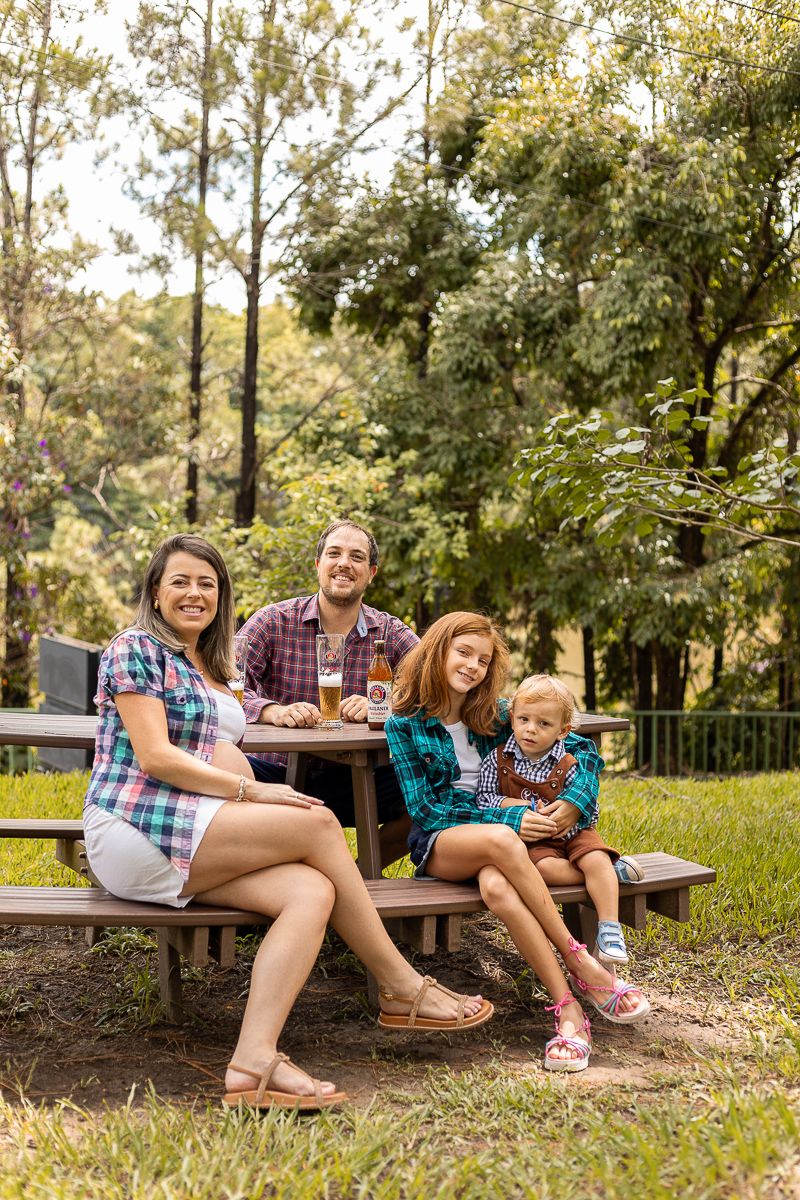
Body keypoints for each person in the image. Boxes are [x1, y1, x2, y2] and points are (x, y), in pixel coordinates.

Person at [82, 535, 493, 1112]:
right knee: (317, 822)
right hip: (136, 826)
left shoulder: (208, 662)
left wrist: (251, 795)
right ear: (155, 589)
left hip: (191, 827)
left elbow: (214, 747)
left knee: (313, 889)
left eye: (208, 583)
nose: (195, 594)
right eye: (180, 581)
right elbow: (156, 757)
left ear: (221, 595)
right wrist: (255, 791)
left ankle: (253, 1062)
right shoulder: (135, 648)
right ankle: (401, 986)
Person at [385, 612, 650, 1074]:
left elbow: (582, 749)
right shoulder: (404, 723)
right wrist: (505, 814)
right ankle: (584, 965)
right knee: (503, 843)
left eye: (483, 660)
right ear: (437, 650)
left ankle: (567, 1008)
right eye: (463, 652)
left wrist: (573, 801)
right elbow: (426, 810)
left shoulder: (497, 714)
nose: (472, 666)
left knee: (497, 887)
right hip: (441, 843)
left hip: (496, 848)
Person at [240, 519, 419, 867]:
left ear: (371, 572)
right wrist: (270, 710)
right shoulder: (274, 621)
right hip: (278, 776)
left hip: (359, 778)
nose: (343, 564)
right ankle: (269, 883)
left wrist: (386, 705)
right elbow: (220, 684)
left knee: (438, 785)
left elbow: (434, 689)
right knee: (216, 772)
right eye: (334, 553)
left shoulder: (390, 631)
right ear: (318, 564)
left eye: (356, 557)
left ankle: (353, 877)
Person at [475, 672, 645, 967]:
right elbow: (484, 798)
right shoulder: (498, 759)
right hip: (535, 841)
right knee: (543, 870)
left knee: (593, 856)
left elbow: (589, 810)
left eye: (544, 724)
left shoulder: (569, 761)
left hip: (573, 833)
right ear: (512, 717)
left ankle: (610, 930)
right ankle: (609, 873)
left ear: (563, 730)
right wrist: (515, 805)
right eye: (524, 720)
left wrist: (569, 814)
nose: (530, 730)